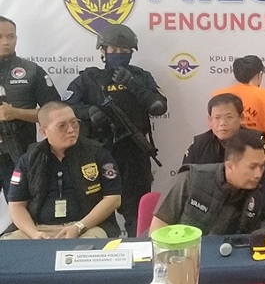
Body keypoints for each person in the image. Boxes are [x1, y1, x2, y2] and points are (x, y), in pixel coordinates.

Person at [65, 24, 167, 237]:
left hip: (134, 153)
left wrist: (134, 85)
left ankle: (139, 249)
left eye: (124, 50)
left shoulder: (141, 76)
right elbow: (64, 107)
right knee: (97, 213)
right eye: (113, 50)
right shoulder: (89, 79)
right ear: (103, 51)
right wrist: (89, 112)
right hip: (98, 152)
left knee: (137, 216)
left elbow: (159, 107)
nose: (119, 54)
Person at [1, 101, 120, 239]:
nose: (71, 130)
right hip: (39, 228)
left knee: (88, 244)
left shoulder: (96, 152)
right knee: (10, 244)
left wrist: (79, 226)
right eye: (62, 126)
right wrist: (34, 234)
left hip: (87, 227)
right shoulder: (29, 158)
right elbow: (16, 205)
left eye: (74, 123)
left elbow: (113, 198)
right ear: (44, 132)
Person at [151, 131, 265, 235]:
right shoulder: (190, 180)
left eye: (262, 166)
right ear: (229, 166)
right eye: (252, 167)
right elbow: (157, 231)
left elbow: (246, 241)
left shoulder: (254, 197)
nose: (259, 174)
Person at [183, 93, 265, 222]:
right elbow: (186, 184)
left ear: (241, 118)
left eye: (229, 117)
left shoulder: (256, 145)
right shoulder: (199, 145)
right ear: (210, 121)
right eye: (217, 118)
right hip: (205, 212)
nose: (222, 123)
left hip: (250, 213)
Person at [0, 16, 61, 199]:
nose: (6, 42)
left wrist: (16, 113)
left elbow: (55, 113)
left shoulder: (32, 70)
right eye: (0, 37)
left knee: (23, 207)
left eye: (10, 36)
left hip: (21, 155)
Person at [212, 55, 265, 171]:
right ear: (259, 74)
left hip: (227, 160)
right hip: (262, 161)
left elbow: (215, 129)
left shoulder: (218, 96)